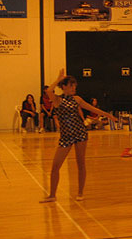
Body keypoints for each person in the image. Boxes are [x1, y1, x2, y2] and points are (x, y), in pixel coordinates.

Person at [40, 69, 117, 203]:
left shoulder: (77, 99)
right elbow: (48, 91)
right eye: (70, 85)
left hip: (80, 133)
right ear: (63, 87)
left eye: (74, 85)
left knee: (80, 163)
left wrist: (108, 115)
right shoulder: (57, 100)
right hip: (66, 136)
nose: (73, 88)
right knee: (55, 166)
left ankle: (80, 192)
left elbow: (92, 109)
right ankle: (52, 195)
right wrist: (58, 79)